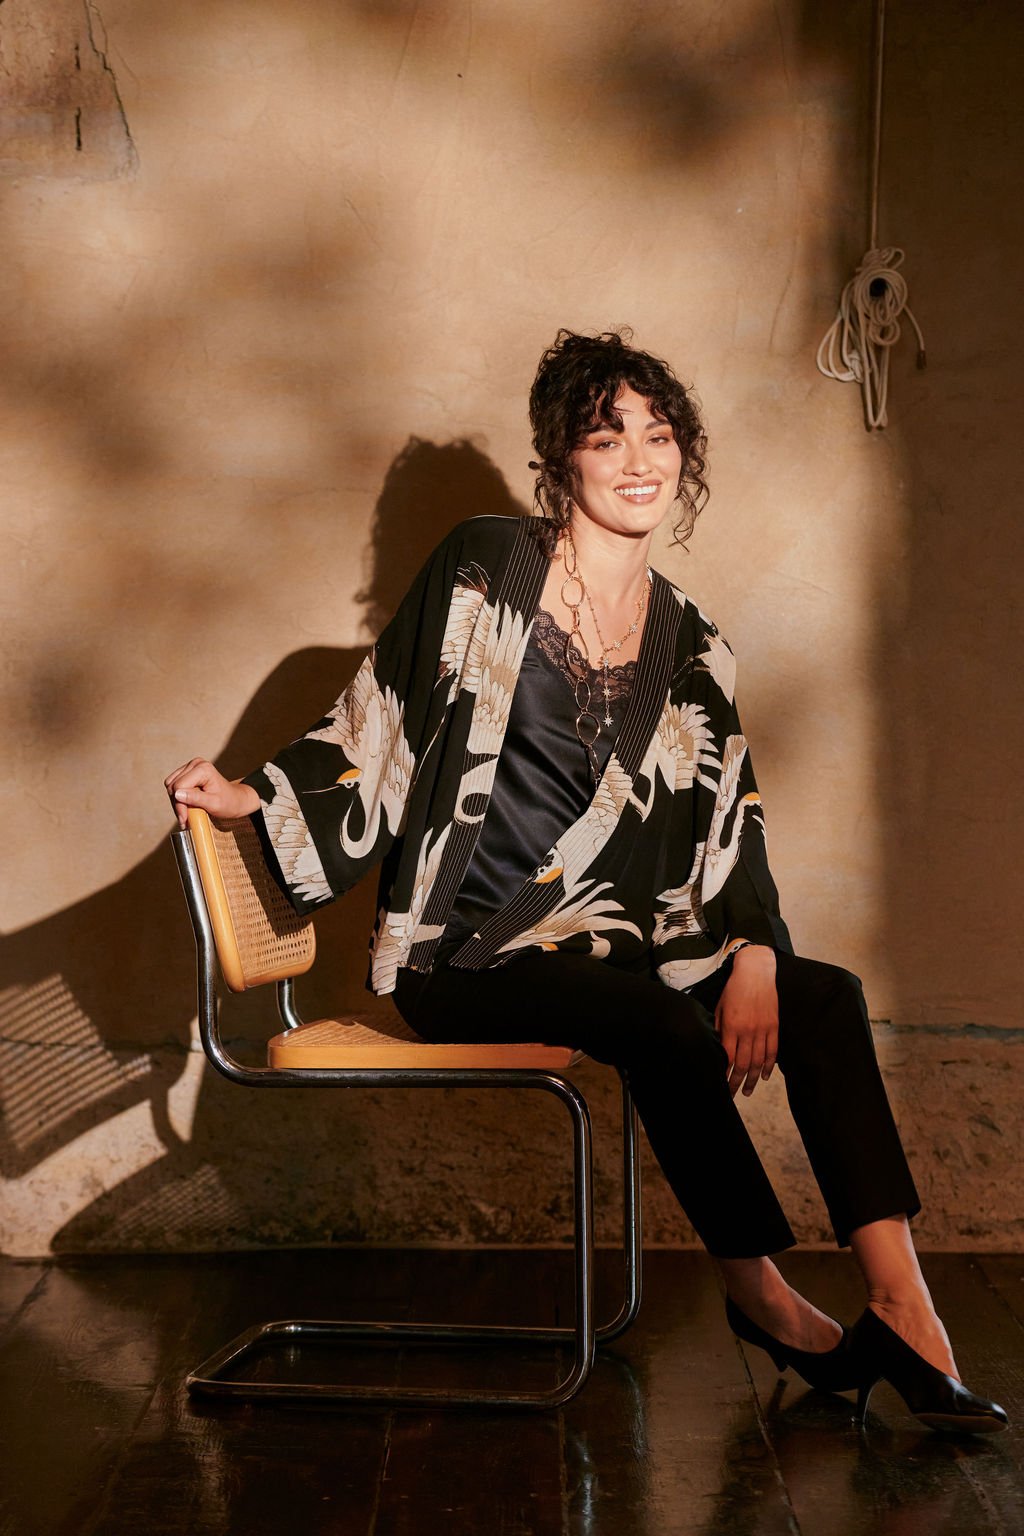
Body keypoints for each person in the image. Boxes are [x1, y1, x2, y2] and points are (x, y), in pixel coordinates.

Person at [165, 328, 1006, 1434]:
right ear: (561, 457)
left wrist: (757, 951)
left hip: (616, 948)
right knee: (655, 1021)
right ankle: (760, 1294)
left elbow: (731, 813)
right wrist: (255, 797)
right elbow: (379, 723)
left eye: (658, 435)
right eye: (607, 438)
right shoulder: (483, 569)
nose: (638, 460)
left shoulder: (693, 643)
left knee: (824, 998)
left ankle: (904, 1308)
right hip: (463, 954)